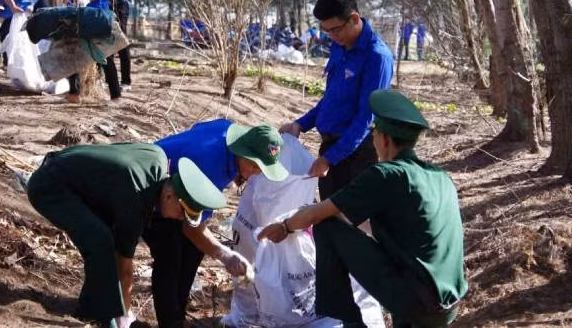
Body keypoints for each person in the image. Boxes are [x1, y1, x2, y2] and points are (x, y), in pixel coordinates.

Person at [259, 89, 468, 327]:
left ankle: (349, 322)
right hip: (448, 304)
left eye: (374, 135)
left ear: (385, 140)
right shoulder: (439, 176)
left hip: (417, 300)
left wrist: (285, 227)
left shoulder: (387, 174)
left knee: (327, 226)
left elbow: (318, 215)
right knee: (404, 265)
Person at [26, 143, 227, 328]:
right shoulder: (136, 201)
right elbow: (125, 270)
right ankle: (95, 315)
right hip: (49, 187)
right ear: (168, 196)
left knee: (105, 239)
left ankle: (96, 305)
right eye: (181, 213)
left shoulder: (158, 159)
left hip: (65, 170)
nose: (178, 219)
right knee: (100, 241)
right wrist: (125, 315)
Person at [148, 120, 289, 327]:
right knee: (170, 254)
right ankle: (170, 321)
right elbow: (191, 228)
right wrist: (224, 254)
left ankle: (178, 311)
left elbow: (196, 127)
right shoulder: (210, 166)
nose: (256, 173)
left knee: (194, 251)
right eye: (253, 166)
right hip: (156, 194)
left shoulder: (227, 131)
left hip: (181, 191)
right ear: (243, 152)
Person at [280, 0, 393, 200]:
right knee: (328, 221)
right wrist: (301, 124)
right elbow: (332, 98)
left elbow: (365, 118)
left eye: (336, 30)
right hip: (330, 148)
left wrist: (330, 159)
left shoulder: (377, 57)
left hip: (357, 152)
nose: (332, 36)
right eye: (326, 31)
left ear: (354, 18)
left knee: (351, 223)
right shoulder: (339, 46)